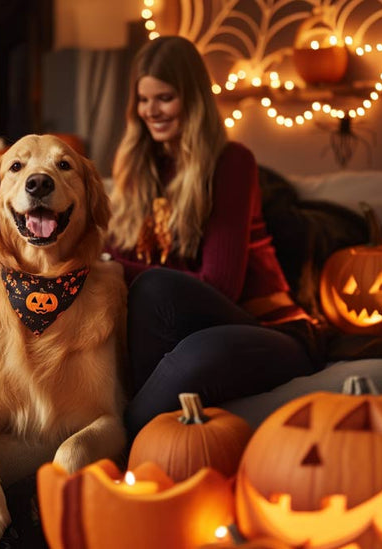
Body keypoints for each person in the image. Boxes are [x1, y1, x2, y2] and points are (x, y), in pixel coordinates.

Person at [107, 35, 329, 437]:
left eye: (165, 98)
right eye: (143, 100)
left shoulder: (231, 163)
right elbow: (108, 256)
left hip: (269, 329)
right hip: (185, 334)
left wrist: (111, 265)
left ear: (192, 98)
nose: (151, 111)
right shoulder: (136, 173)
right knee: (162, 318)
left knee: (164, 304)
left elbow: (221, 285)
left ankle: (115, 451)